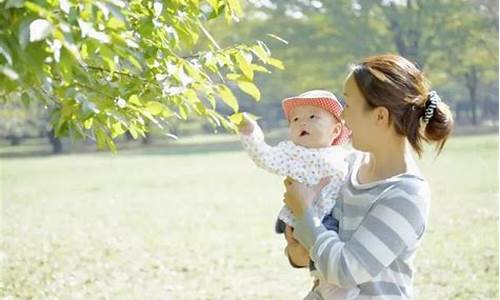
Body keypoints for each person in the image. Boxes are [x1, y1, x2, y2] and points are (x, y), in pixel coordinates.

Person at [283, 54, 454, 299]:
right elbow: (310, 246)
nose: (342, 116)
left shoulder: (406, 194)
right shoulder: (347, 166)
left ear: (380, 116)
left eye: (349, 104)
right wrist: (296, 251)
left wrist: (303, 212)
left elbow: (345, 269)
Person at [238, 90, 359, 299]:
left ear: (335, 130)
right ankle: (323, 280)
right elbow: (265, 157)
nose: (302, 123)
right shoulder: (292, 153)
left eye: (313, 117)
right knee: (320, 256)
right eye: (295, 119)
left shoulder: (346, 156)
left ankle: (325, 283)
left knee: (333, 255)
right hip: (304, 218)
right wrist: (251, 134)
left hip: (333, 217)